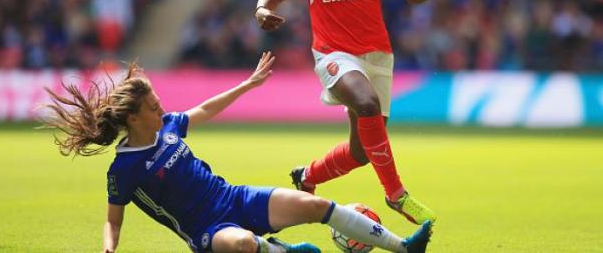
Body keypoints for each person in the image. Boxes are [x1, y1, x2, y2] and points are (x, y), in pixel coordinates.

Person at [42, 52, 433, 253]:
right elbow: (113, 220)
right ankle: (279, 249)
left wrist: (248, 84)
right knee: (244, 245)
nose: (162, 109)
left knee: (315, 206)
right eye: (153, 107)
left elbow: (207, 108)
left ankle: (403, 246)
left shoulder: (170, 128)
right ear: (132, 118)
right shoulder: (124, 168)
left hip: (235, 198)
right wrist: (109, 248)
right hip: (207, 232)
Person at [254, 0, 460, 225]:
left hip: (378, 57)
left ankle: (306, 176)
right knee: (367, 105)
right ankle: (396, 195)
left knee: (362, 152)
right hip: (334, 54)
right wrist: (262, 10)